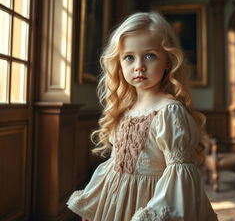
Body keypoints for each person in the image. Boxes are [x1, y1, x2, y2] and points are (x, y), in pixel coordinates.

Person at [67, 11, 218, 221]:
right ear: (119, 63)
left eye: (150, 55)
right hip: (114, 205)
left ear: (167, 61)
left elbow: (179, 176)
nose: (139, 66)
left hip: (150, 204)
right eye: (129, 57)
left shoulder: (169, 111)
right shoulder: (124, 109)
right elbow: (114, 166)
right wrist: (93, 208)